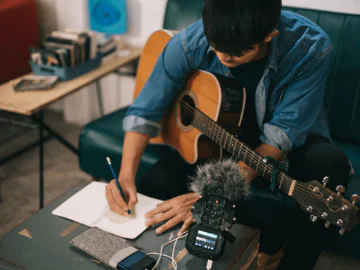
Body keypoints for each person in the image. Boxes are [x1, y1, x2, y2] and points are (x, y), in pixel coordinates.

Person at [105, 0, 351, 269]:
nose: (222, 57)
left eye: (233, 56)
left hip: (286, 144)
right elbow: (145, 111)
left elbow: (277, 141)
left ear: (270, 35)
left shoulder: (310, 48)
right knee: (153, 184)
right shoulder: (194, 39)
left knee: (330, 163)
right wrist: (125, 174)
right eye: (214, 47)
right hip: (218, 140)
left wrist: (208, 197)